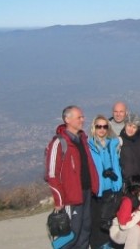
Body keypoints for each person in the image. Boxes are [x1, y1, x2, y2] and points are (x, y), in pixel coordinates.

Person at [45, 105, 100, 249]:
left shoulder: (81, 139)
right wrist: (59, 199)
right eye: (79, 117)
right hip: (71, 196)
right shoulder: (59, 143)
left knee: (85, 229)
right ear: (67, 119)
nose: (83, 119)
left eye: (82, 116)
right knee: (71, 233)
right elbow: (52, 174)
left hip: (86, 191)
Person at [88, 115, 124, 249]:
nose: (102, 129)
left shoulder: (113, 144)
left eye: (105, 126)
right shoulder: (89, 146)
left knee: (112, 219)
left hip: (113, 187)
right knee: (98, 219)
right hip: (98, 189)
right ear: (94, 128)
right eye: (99, 126)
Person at [110, 174, 140, 249]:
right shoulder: (128, 201)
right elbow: (123, 226)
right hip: (119, 232)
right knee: (136, 229)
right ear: (138, 187)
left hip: (139, 230)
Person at [119, 113, 140, 181]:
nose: (131, 129)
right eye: (129, 126)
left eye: (134, 127)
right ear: (125, 125)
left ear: (138, 128)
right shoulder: (119, 141)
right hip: (125, 180)